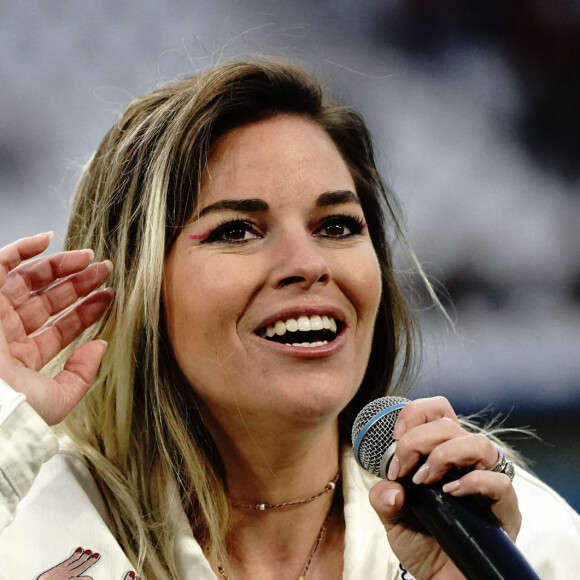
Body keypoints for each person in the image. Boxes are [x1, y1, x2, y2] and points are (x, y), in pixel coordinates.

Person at [0, 58, 579, 580]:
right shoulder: (29, 526)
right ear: (135, 287)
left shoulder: (514, 541)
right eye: (237, 230)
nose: (308, 265)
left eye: (337, 226)